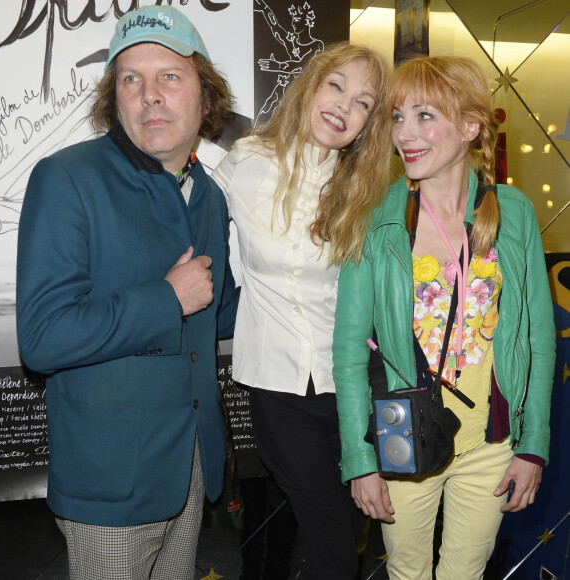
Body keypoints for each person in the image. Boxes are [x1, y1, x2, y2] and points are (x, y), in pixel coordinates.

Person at [16, 6, 239, 579]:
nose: (150, 95)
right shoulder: (66, 177)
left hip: (188, 466)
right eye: (130, 79)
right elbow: (41, 338)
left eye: (170, 76)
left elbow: (219, 314)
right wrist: (165, 298)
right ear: (114, 98)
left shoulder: (209, 194)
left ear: (204, 97)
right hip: (109, 483)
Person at [332, 55, 555, 580]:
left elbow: (539, 340)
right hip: (405, 435)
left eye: (425, 116)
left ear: (471, 126)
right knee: (407, 572)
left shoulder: (515, 212)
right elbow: (346, 353)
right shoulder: (376, 220)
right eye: (397, 116)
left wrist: (533, 447)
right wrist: (360, 462)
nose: (404, 134)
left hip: (492, 442)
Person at [211, 42, 392, 580]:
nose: (343, 106)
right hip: (276, 384)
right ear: (311, 85)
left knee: (347, 528)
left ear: (369, 123)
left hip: (354, 383)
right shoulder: (245, 162)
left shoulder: (369, 189)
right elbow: (199, 238)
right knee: (330, 528)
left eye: (363, 102)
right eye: (336, 85)